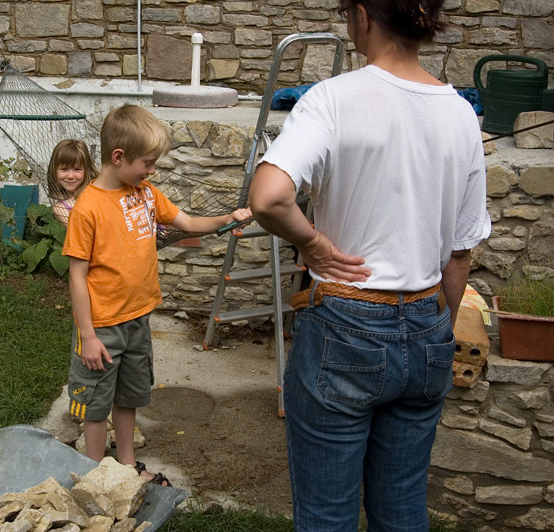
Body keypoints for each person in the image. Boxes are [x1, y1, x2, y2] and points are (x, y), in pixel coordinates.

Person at [248, 0, 491, 530]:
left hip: (346, 327)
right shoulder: (460, 115)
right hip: (429, 324)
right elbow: (461, 251)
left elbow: (267, 198)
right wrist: (438, 331)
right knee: (402, 509)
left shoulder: (334, 99)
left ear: (362, 15)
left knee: (327, 516)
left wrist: (311, 244)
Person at [63, 104, 251, 485]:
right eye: (147, 163)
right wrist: (88, 336)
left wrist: (225, 219)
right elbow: (77, 276)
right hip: (102, 326)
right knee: (96, 406)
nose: (152, 171)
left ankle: (128, 465)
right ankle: (96, 476)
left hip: (137, 319)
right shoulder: (88, 209)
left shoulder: (145, 193)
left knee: (129, 396)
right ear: (119, 157)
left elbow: (186, 222)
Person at [47, 139, 98, 225]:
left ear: (86, 170)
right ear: (54, 170)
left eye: (77, 169)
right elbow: (79, 230)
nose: (70, 176)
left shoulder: (96, 190)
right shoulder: (60, 208)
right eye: (64, 169)